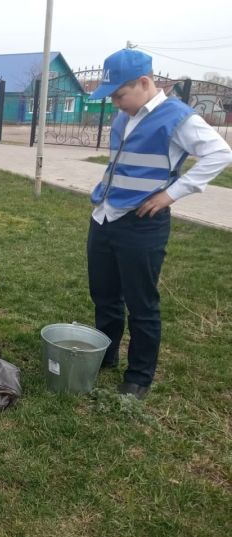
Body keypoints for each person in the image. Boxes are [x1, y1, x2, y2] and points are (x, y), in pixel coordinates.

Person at [87, 49, 232, 399]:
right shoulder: (124, 116)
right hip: (105, 217)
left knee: (141, 303)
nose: (117, 104)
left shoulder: (177, 117)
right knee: (104, 295)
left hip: (142, 224)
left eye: (120, 95)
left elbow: (220, 153)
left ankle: (138, 376)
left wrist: (172, 194)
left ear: (144, 82)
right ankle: (104, 355)